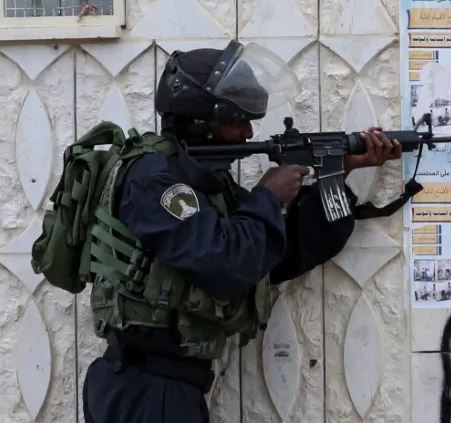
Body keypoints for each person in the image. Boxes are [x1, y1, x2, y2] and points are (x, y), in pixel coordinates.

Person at [82, 40, 401, 423]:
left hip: (166, 387)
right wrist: (267, 195)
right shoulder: (155, 181)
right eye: (237, 120)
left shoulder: (201, 185)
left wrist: (340, 170)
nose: (249, 132)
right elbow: (223, 261)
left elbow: (270, 257)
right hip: (147, 389)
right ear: (202, 120)